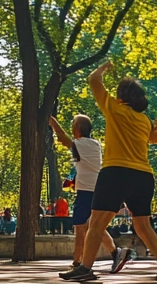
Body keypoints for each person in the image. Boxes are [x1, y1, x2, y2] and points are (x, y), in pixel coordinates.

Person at [60, 60, 157, 283]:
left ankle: (85, 267)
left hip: (116, 172)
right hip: (143, 176)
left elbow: (93, 80)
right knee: (143, 225)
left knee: (97, 223)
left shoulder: (114, 108)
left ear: (121, 97)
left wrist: (104, 67)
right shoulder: (143, 119)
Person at [48, 114, 122, 270]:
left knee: (80, 227)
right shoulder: (95, 144)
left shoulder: (80, 144)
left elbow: (62, 137)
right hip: (99, 189)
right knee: (95, 227)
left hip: (86, 191)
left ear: (77, 129)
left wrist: (51, 121)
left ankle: (78, 262)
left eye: (73, 124)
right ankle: (116, 253)